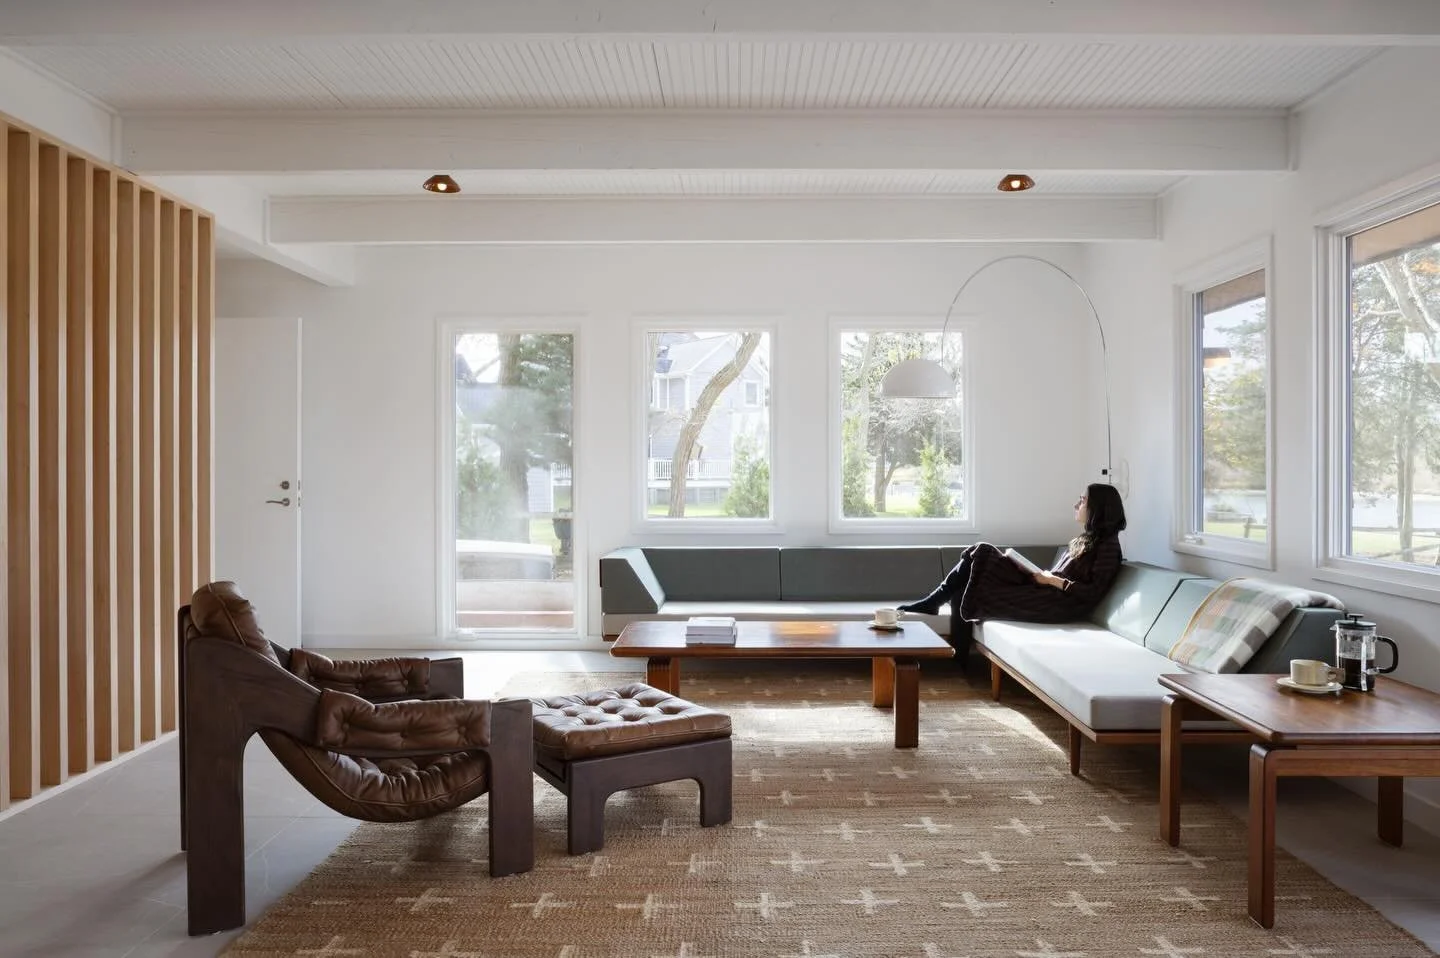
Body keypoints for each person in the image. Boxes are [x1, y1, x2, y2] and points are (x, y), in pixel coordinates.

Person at [897, 484, 1127, 638]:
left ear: (1097, 508)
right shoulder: (1086, 540)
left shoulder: (1108, 547)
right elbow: (1060, 575)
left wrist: (1052, 581)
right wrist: (1037, 574)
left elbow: (1092, 592)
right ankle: (938, 609)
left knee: (979, 561)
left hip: (1057, 605)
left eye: (1082, 501)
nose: (1076, 505)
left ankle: (934, 602)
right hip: (1045, 590)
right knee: (978, 559)